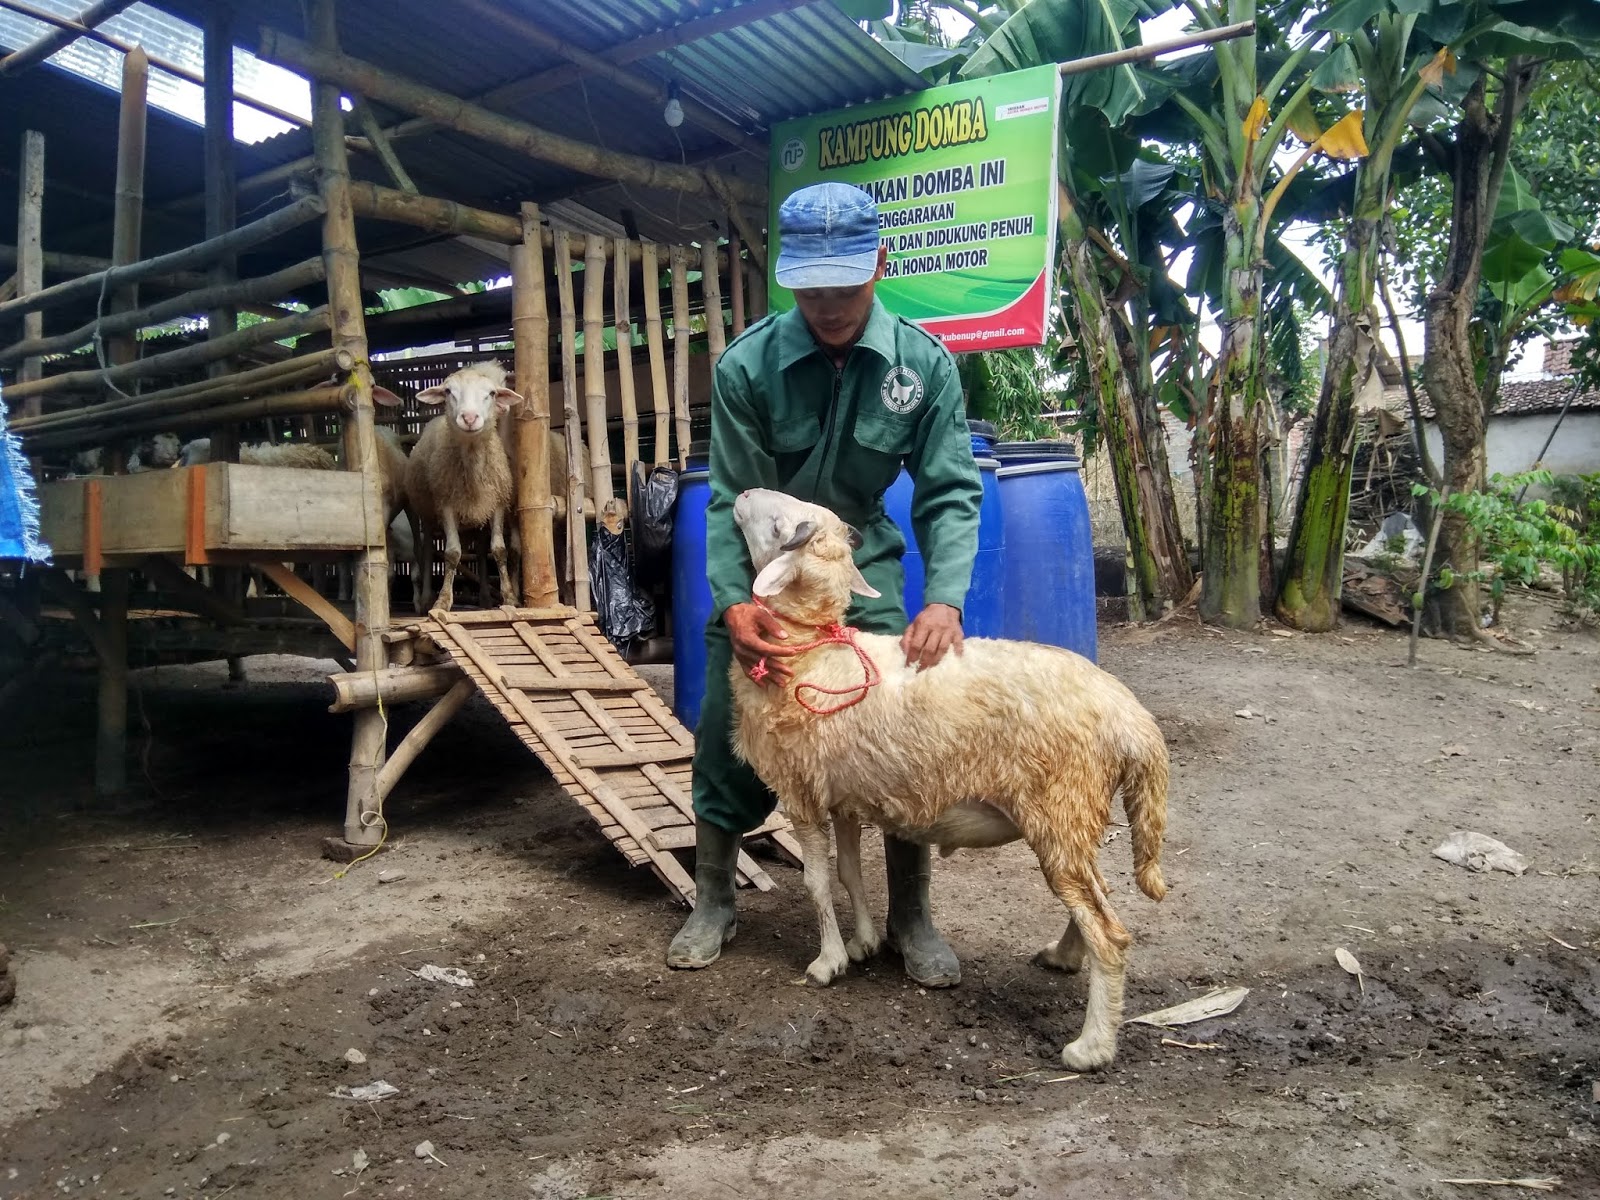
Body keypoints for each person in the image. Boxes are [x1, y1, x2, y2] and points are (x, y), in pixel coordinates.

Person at [665, 181, 985, 987]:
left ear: (881, 264)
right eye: (814, 290)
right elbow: (733, 495)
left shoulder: (922, 365)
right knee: (732, 723)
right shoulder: (749, 367)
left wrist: (943, 597)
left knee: (902, 731)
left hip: (860, 563)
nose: (832, 306)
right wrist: (736, 602)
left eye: (847, 287)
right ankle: (713, 897)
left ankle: (911, 916)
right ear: (789, 278)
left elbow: (950, 490)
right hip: (764, 567)